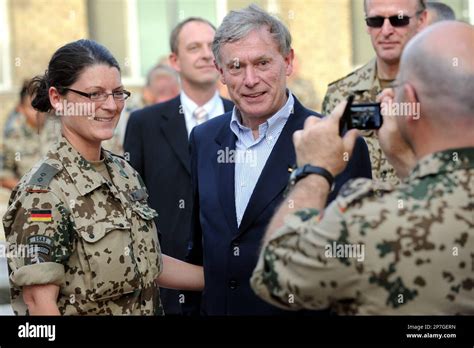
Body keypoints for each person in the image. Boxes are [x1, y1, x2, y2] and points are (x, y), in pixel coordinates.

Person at [251, 21, 474, 315]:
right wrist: (405, 159)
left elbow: (275, 271)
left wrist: (314, 172)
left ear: (411, 100)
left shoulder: (369, 222)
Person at [185, 5, 372, 316]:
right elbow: (201, 249)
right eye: (235, 66)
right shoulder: (204, 139)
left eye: (262, 63)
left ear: (288, 61)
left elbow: (353, 260)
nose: (250, 79)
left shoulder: (333, 140)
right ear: (220, 73)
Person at [2, 39, 203, 315]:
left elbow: (147, 262)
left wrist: (225, 278)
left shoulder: (124, 173)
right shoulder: (43, 193)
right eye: (94, 94)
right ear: (57, 99)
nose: (110, 105)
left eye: (118, 93)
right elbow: (39, 303)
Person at [124, 18, 233, 315]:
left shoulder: (245, 117)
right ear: (175, 60)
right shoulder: (144, 124)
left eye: (212, 46)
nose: (206, 54)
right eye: (194, 47)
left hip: (233, 282)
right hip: (165, 283)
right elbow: (133, 202)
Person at [322, 0, 427, 185]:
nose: (386, 31)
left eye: (399, 19)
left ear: (421, 20)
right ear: (366, 25)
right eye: (376, 21)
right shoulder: (341, 94)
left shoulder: (444, 91)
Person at [0, 80, 57, 190]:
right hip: (30, 201)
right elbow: (4, 177)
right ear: (20, 109)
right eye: (32, 107)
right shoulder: (13, 138)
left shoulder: (62, 131)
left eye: (40, 106)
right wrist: (28, 189)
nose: (37, 112)